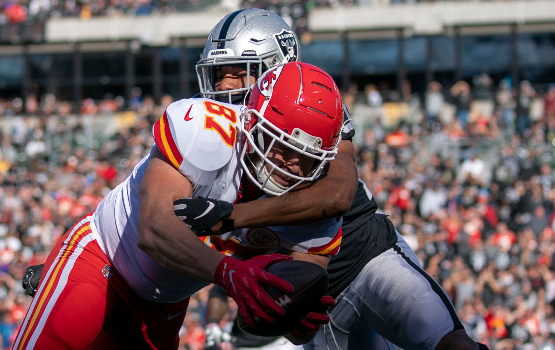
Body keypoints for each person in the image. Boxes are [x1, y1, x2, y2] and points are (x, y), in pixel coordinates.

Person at [181, 9, 485, 350]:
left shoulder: (313, 102)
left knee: (451, 344)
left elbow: (337, 194)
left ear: (277, 66)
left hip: (365, 255)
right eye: (219, 74)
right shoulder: (203, 127)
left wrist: (230, 217)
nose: (224, 87)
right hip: (312, 295)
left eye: (241, 74)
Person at [12, 61, 346, 350]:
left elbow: (299, 295)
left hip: (164, 307)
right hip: (102, 262)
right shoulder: (207, 129)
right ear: (252, 123)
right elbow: (155, 229)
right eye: (281, 145)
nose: (291, 165)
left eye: (307, 158)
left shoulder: (312, 208)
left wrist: (296, 316)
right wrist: (227, 272)